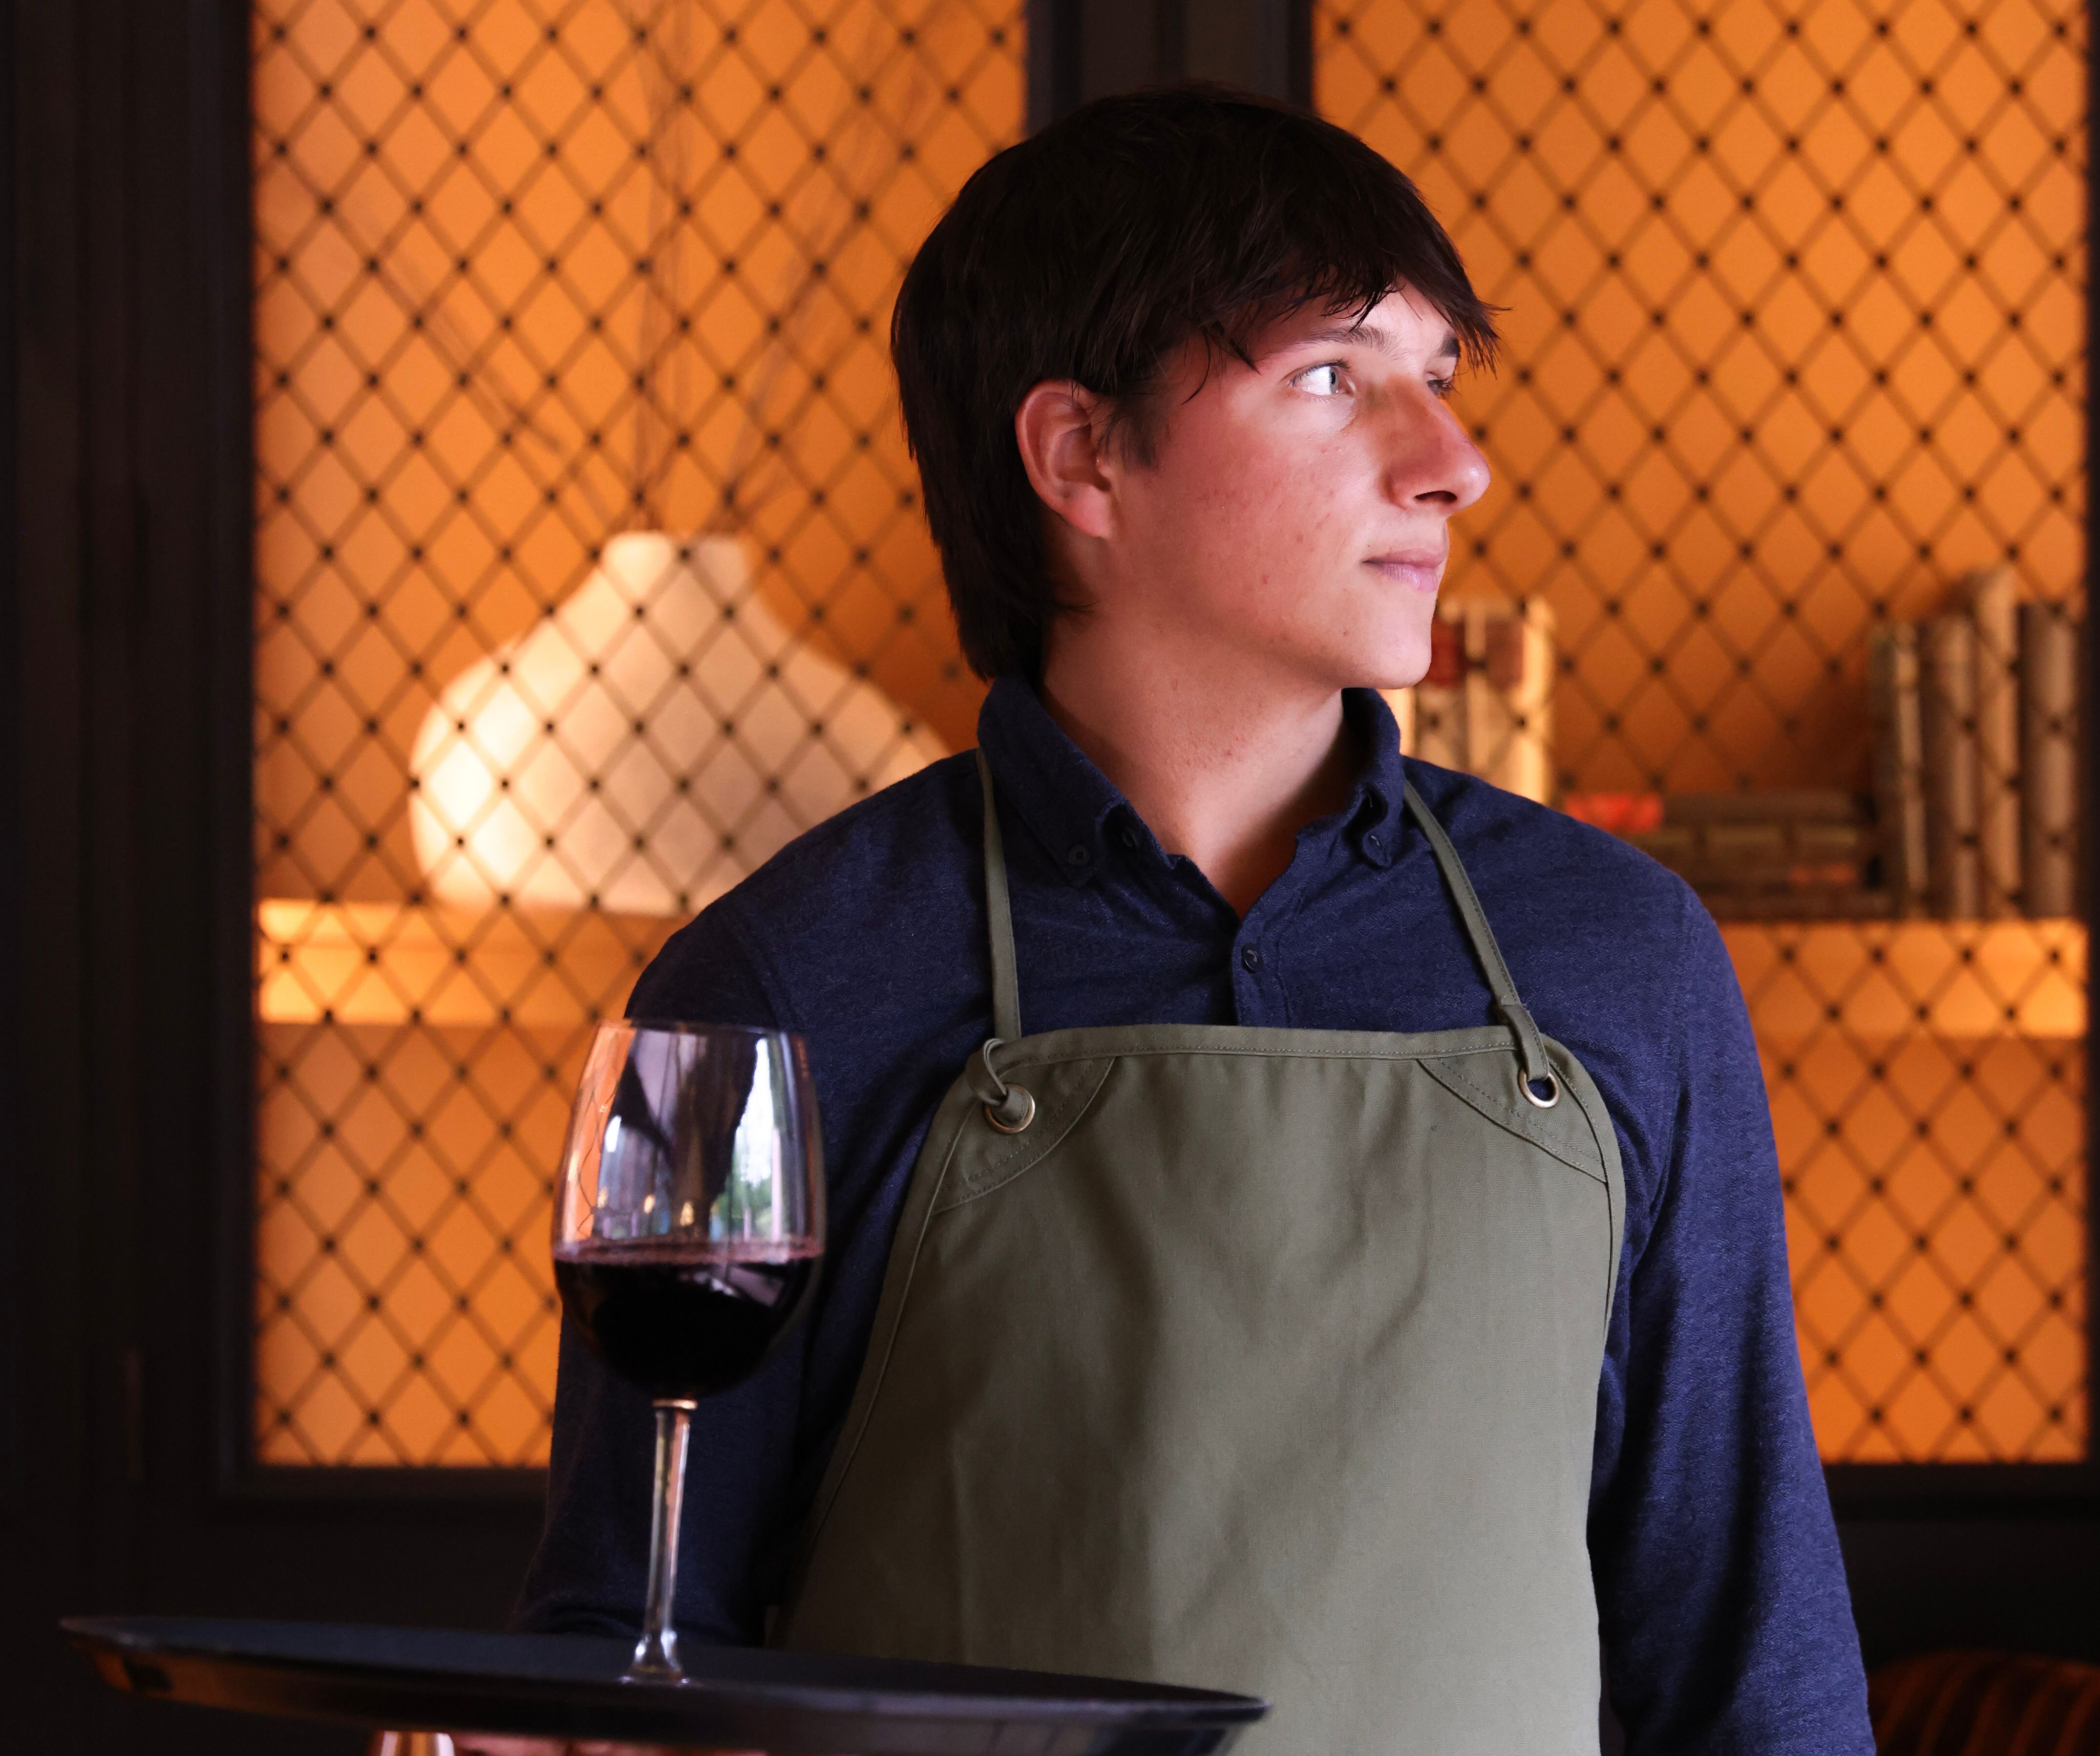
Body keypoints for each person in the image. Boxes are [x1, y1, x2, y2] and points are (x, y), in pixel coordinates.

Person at [501, 83, 1873, 1756]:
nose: (1455, 462)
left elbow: (1753, 1664)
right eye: (1333, 379)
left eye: (1438, 379)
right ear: (1083, 456)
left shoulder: (1620, 959)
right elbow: (632, 1643)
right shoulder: (778, 981)